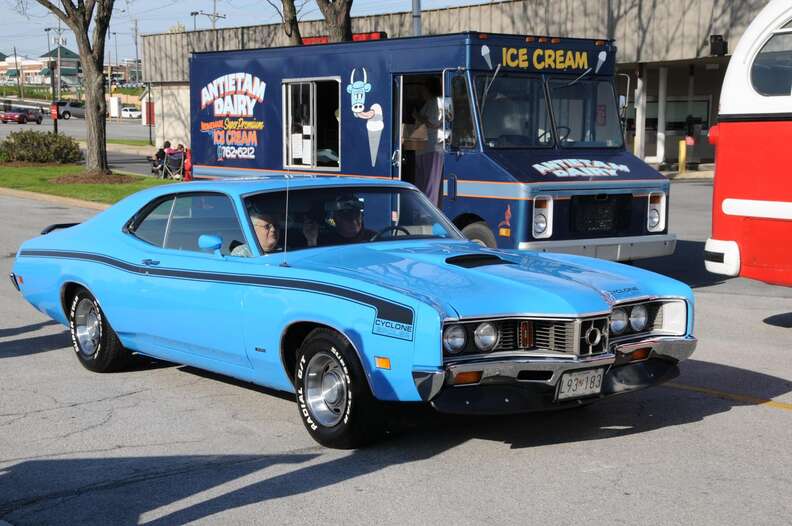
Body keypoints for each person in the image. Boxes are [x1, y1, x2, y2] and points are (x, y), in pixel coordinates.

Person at [412, 80, 445, 206]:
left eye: (423, 90)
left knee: (430, 184)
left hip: (432, 147)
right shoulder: (430, 103)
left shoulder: (435, 102)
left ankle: (429, 212)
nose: (421, 93)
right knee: (425, 182)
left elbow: (433, 123)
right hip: (424, 148)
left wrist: (417, 116)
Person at [303, 195, 374, 247]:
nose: (353, 219)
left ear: (361, 216)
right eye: (346, 214)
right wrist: (312, 240)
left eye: (356, 213)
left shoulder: (375, 239)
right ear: (335, 218)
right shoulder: (325, 243)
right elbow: (314, 264)